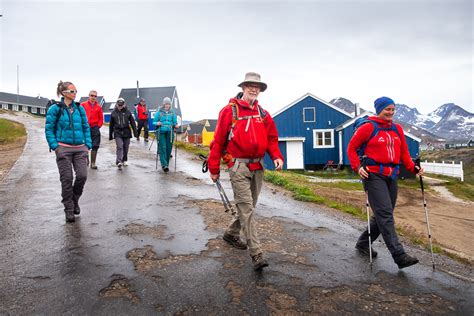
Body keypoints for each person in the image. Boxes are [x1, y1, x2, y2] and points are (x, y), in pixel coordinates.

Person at [208, 72, 284, 271]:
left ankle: (231, 233)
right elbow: (218, 141)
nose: (253, 89)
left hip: (258, 166)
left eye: (257, 86)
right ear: (243, 87)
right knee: (247, 208)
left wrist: (276, 156)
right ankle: (257, 253)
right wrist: (214, 168)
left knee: (249, 206)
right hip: (238, 166)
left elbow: (272, 139)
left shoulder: (263, 114)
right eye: (250, 85)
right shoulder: (229, 111)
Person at [347, 96, 425, 269]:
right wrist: (357, 167)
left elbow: (404, 153)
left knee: (384, 214)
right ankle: (399, 255)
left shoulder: (397, 129)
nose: (390, 112)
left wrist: (414, 169)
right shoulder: (368, 127)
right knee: (385, 215)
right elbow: (351, 148)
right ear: (379, 110)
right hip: (373, 175)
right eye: (387, 109)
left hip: (392, 176)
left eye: (392, 109)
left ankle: (362, 243)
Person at [45, 81, 92, 223]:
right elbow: (49, 129)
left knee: (82, 176)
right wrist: (55, 147)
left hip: (80, 148)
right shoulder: (55, 109)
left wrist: (87, 145)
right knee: (66, 179)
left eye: (76, 90)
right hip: (63, 149)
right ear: (64, 92)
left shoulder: (80, 109)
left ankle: (74, 199)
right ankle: (69, 209)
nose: (75, 93)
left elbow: (86, 127)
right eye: (72, 91)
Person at [109, 98, 138, 169]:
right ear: (117, 104)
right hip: (117, 132)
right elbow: (111, 125)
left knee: (126, 147)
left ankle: (125, 160)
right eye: (119, 105)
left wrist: (135, 133)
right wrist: (110, 135)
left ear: (124, 104)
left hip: (126, 132)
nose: (120, 106)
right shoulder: (113, 113)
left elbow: (132, 123)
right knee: (119, 146)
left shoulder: (128, 112)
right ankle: (118, 161)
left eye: (121, 105)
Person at [153, 97, 178, 172]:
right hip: (161, 131)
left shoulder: (172, 113)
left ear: (170, 105)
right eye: (166, 104)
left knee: (168, 148)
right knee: (162, 148)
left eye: (169, 104)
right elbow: (154, 122)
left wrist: (176, 125)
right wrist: (157, 123)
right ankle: (164, 165)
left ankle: (166, 163)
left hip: (170, 132)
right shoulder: (159, 112)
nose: (167, 105)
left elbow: (174, 122)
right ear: (163, 104)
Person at [81, 90, 103, 169]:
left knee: (95, 145)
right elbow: (79, 115)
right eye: (92, 95)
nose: (93, 97)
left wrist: (98, 126)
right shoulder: (83, 105)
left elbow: (101, 118)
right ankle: (86, 160)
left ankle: (93, 163)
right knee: (84, 144)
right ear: (89, 96)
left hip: (95, 128)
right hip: (85, 127)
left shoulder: (98, 107)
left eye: (95, 96)